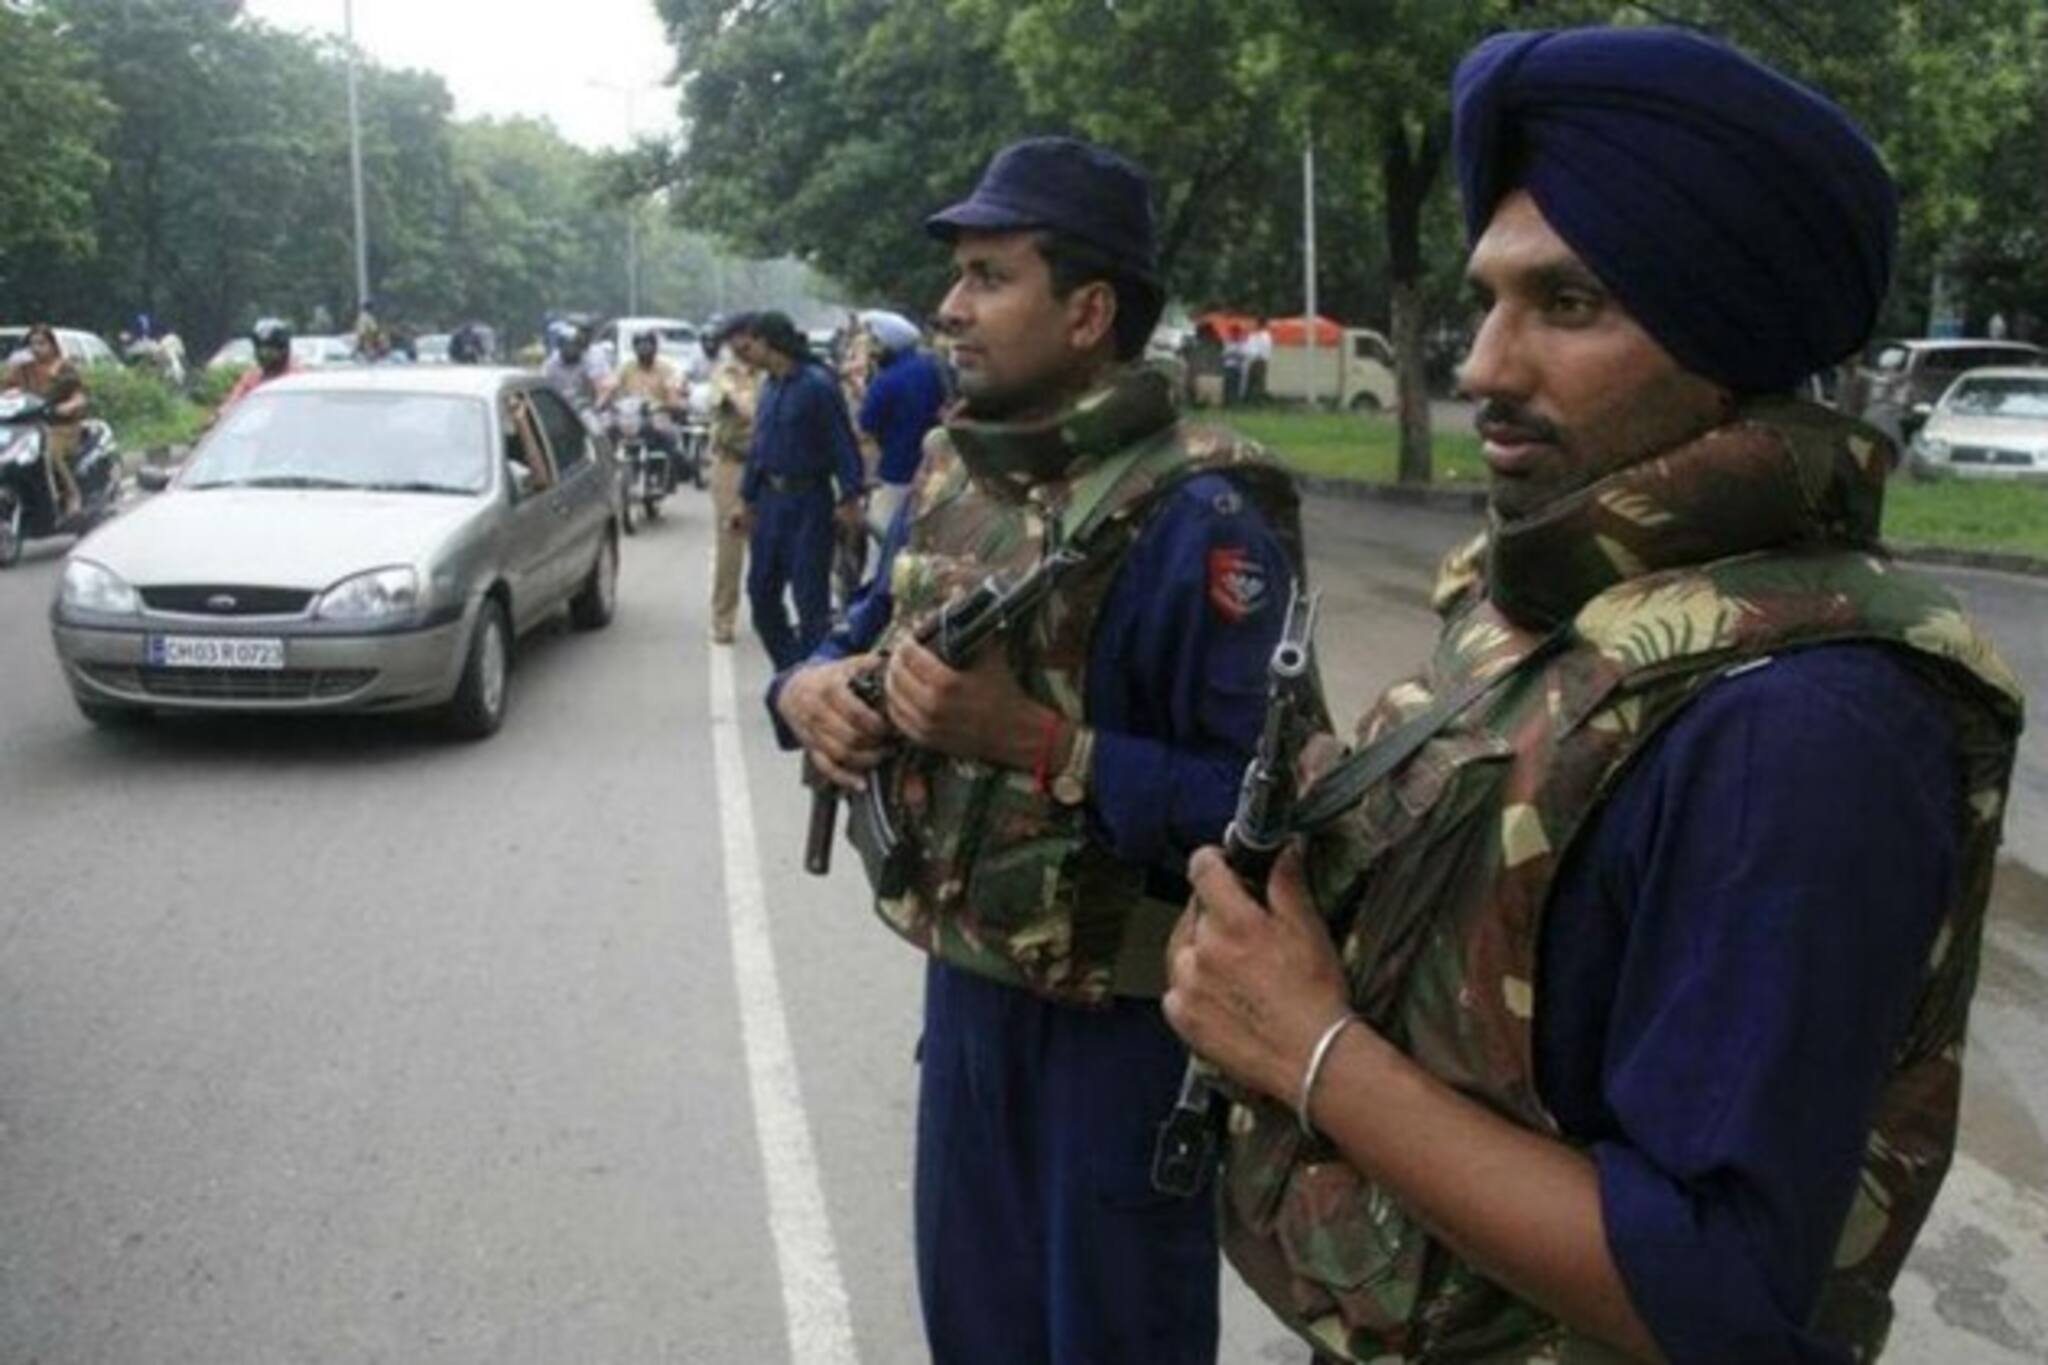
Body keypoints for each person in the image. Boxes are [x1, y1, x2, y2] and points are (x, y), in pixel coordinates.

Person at [1163, 27, 2026, 1365]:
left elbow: (1720, 1292)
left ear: (1726, 341)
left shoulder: (1803, 721)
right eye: (1492, 299)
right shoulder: (1564, 594)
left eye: (1569, 306)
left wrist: (1308, 1044)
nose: (1485, 368)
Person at [771, 136, 1310, 1365]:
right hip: (970, 1003)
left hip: (1123, 1039)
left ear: (1088, 312)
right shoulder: (956, 465)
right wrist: (808, 692)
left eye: (986, 276)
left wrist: (1037, 741)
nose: (947, 309)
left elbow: (1273, 816)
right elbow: (852, 637)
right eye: (954, 276)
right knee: (974, 1334)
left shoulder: (1201, 512)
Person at [728, 311, 865, 670]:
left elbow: (842, 444)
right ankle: (791, 669)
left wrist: (850, 499)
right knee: (761, 596)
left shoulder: (817, 385)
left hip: (809, 504)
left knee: (810, 602)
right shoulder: (770, 387)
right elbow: (759, 449)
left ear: (770, 342)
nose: (747, 350)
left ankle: (813, 677)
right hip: (770, 504)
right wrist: (746, 500)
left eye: (752, 342)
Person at [854, 308, 947, 546]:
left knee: (889, 543)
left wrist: (866, 475)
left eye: (874, 343)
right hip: (939, 472)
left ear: (886, 344)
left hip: (896, 474)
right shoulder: (935, 367)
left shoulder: (885, 381)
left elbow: (866, 431)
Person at [703, 316, 760, 645]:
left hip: (766, 464)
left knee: (767, 544)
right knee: (731, 543)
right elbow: (742, 407)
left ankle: (769, 613)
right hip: (732, 464)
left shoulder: (770, 373)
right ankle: (723, 619)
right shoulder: (726, 373)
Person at [6, 323, 89, 518]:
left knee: (50, 454)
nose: (37, 348)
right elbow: (7, 388)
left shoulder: (64, 368)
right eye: (32, 344)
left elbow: (80, 395)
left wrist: (69, 406)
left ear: (52, 345)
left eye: (41, 343)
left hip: (60, 427)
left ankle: (72, 496)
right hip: (27, 428)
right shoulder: (23, 370)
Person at [606, 326, 688, 469]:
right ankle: (608, 468)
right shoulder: (626, 367)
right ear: (634, 348)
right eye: (640, 345)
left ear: (655, 347)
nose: (644, 349)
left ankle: (675, 468)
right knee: (607, 429)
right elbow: (611, 385)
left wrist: (672, 403)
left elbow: (673, 390)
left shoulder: (666, 369)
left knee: (668, 435)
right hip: (631, 415)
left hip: (657, 414)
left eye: (647, 345)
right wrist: (604, 402)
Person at [219, 318, 296, 412]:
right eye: (260, 348)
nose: (263, 353)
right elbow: (230, 406)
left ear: (283, 349)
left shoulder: (297, 379)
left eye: (269, 348)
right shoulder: (252, 378)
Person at [541, 320, 608, 412]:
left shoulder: (586, 360)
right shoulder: (551, 365)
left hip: (582, 408)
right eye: (570, 346)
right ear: (561, 346)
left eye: (577, 345)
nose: (574, 349)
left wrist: (598, 403)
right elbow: (543, 387)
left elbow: (596, 386)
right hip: (558, 407)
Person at [1244, 315, 1273, 405]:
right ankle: (1249, 400)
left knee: (1259, 381)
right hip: (1254, 360)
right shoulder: (1255, 335)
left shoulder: (1264, 336)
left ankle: (1258, 401)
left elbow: (1262, 349)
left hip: (1260, 360)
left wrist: (1256, 355)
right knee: (1251, 381)